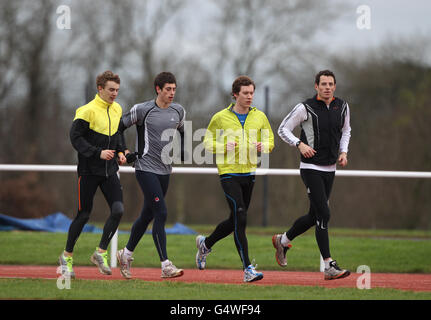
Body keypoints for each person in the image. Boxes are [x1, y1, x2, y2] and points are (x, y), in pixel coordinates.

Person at [273, 69, 351, 280]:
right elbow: (283, 129)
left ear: (335, 86)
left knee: (313, 216)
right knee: (324, 214)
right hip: (311, 168)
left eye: (330, 84)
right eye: (323, 84)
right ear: (316, 86)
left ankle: (282, 241)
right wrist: (299, 144)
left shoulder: (342, 106)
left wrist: (343, 152)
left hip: (330, 168)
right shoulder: (305, 107)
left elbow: (346, 130)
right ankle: (329, 265)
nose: (327, 87)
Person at [196, 76, 274, 282]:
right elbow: (207, 141)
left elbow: (270, 139)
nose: (250, 97)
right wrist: (222, 147)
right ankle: (248, 269)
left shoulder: (260, 117)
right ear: (235, 95)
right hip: (228, 172)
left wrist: (263, 147)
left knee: (234, 221)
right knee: (240, 215)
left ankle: (205, 244)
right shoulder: (221, 117)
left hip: (249, 172)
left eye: (252, 93)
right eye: (245, 93)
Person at [116, 72, 185, 279]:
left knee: (147, 214)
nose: (172, 93)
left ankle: (125, 254)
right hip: (144, 167)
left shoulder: (178, 110)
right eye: (168, 89)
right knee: (161, 213)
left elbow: (181, 129)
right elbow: (118, 127)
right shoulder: (142, 109)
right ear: (158, 89)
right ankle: (165, 265)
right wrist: (125, 152)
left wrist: (182, 149)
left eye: (174, 89)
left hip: (165, 170)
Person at [59, 70, 127, 279]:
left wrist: (121, 152)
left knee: (118, 210)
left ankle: (100, 253)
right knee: (84, 215)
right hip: (88, 171)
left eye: (117, 90)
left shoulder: (117, 109)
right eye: (110, 90)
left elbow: (117, 134)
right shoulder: (86, 111)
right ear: (100, 89)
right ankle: (66, 257)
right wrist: (97, 153)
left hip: (109, 172)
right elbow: (75, 138)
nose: (114, 94)